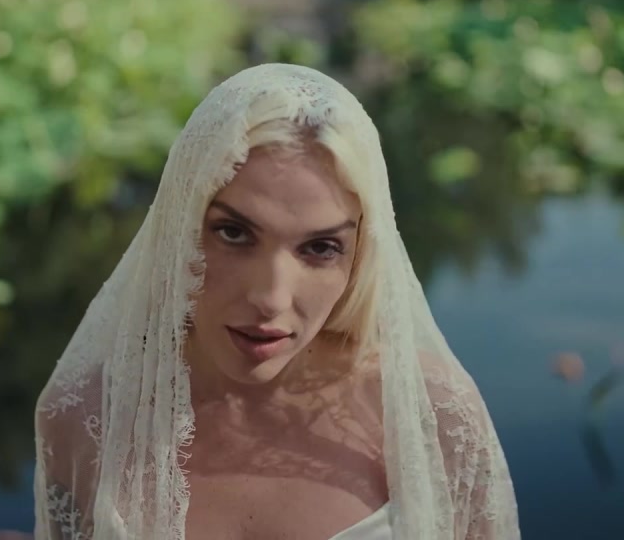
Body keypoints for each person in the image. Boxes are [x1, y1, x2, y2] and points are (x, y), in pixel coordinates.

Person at [34, 63, 520, 539]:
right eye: (233, 233)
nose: (271, 298)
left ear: (360, 253)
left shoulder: (432, 416)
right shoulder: (87, 417)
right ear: (179, 226)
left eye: (321, 247)